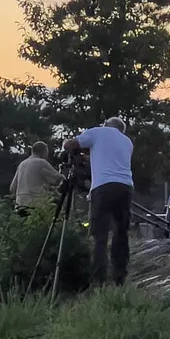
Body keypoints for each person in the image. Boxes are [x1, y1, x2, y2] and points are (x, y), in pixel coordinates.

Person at [63, 118, 135, 285]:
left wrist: (67, 143)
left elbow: (71, 145)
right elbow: (108, 158)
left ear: (107, 124)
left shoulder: (98, 132)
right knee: (121, 233)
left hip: (103, 187)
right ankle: (119, 277)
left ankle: (98, 280)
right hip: (125, 187)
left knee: (99, 235)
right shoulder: (127, 142)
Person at [8, 142, 64, 214]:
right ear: (43, 152)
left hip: (20, 204)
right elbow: (58, 179)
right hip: (35, 204)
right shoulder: (41, 162)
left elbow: (12, 188)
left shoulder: (22, 164)